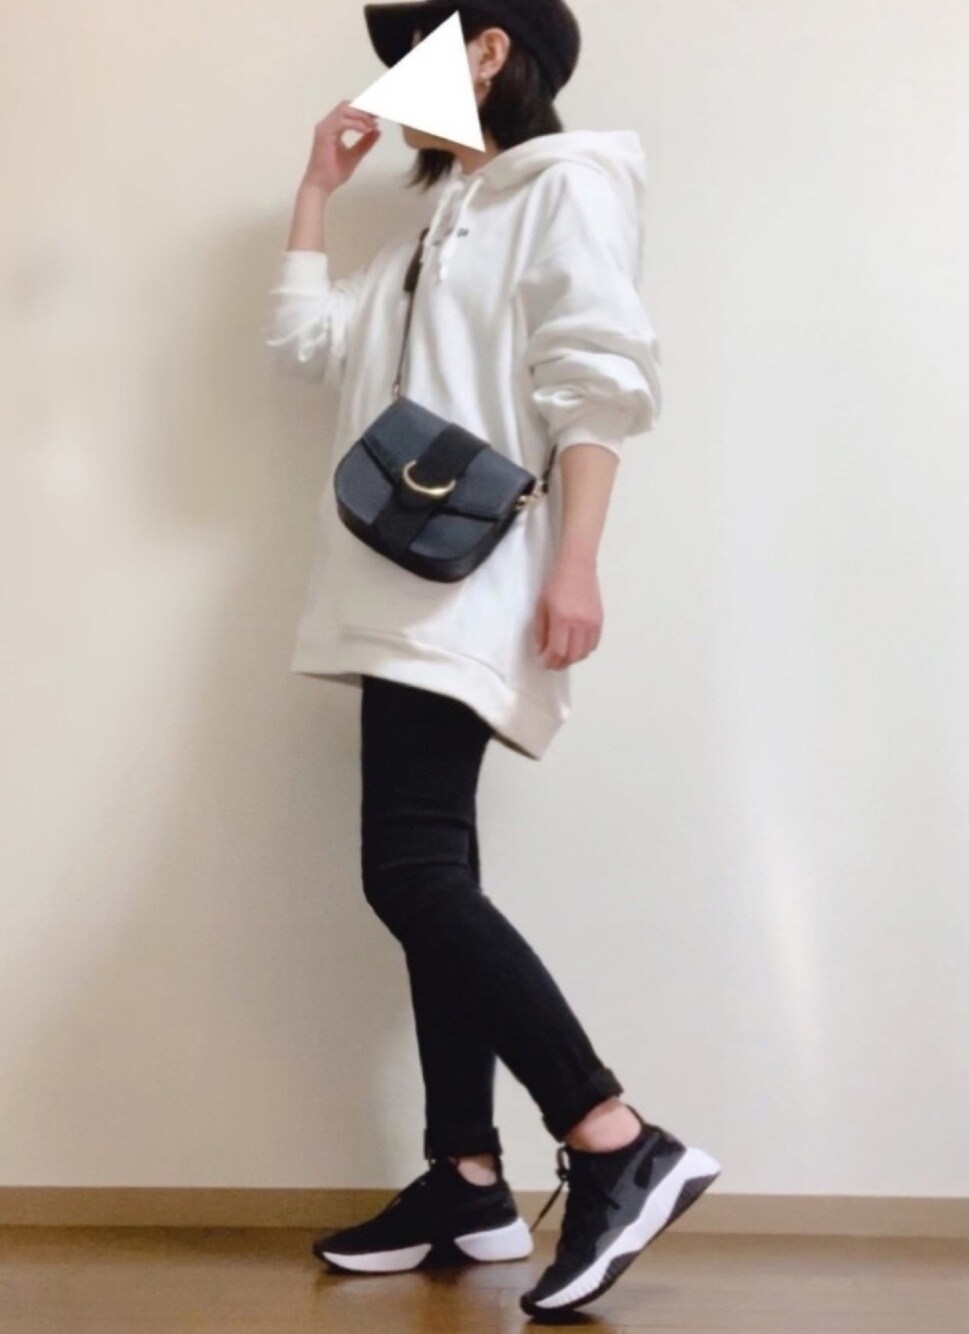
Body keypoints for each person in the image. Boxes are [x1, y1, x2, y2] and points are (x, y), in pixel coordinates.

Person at [263, 0, 720, 1316]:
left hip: (472, 587)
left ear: (487, 51)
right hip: (391, 581)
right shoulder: (430, 227)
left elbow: (597, 377)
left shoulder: (565, 185)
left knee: (406, 870)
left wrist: (578, 562)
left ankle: (613, 1137)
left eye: (419, 40)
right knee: (434, 878)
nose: (389, 72)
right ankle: (466, 1176)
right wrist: (317, 188)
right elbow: (305, 349)